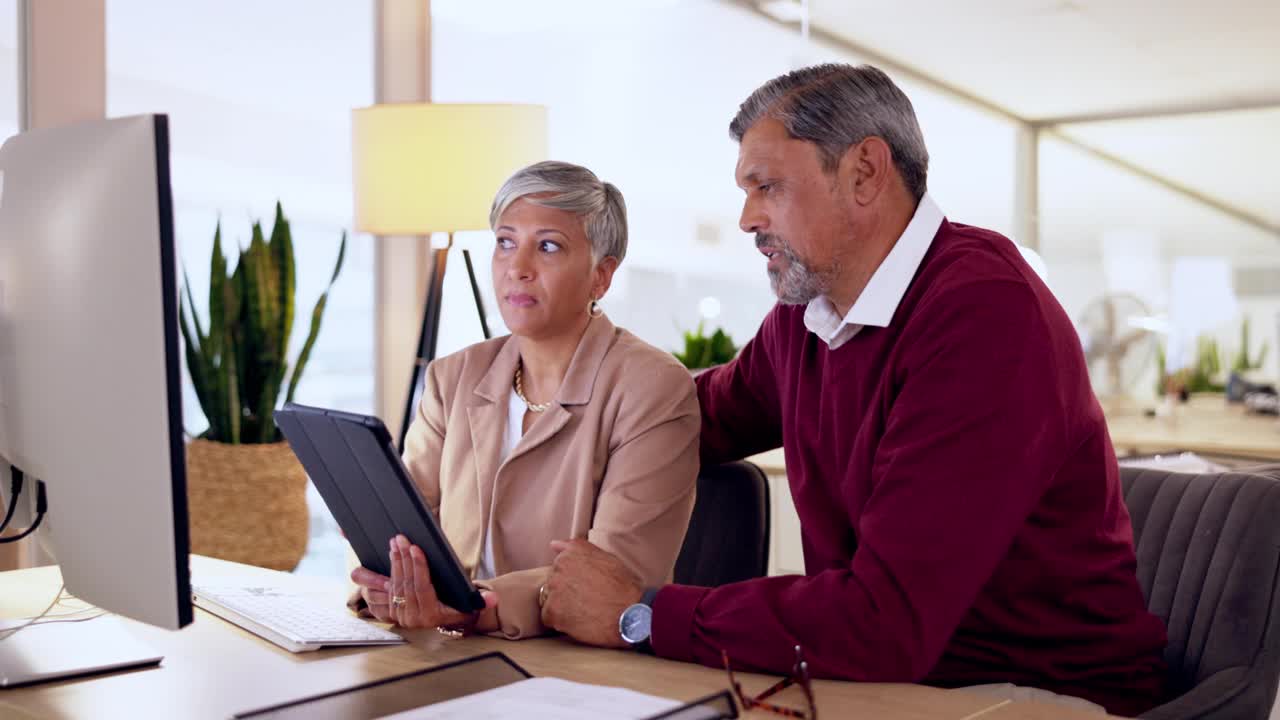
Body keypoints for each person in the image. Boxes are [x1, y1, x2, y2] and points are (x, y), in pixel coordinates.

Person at [538, 64, 1169, 716]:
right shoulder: (810, 317)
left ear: (866, 172)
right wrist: (539, 419)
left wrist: (638, 614)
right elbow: (688, 421)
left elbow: (883, 622)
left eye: (767, 186)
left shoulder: (983, 313)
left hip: (1038, 691)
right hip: (897, 679)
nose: (747, 218)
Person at [350, 160, 700, 640]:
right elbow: (394, 525)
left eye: (548, 247)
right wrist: (387, 584)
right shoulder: (452, 377)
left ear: (601, 276)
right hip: (446, 650)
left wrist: (471, 608)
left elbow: (615, 576)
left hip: (579, 668)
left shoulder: (652, 387)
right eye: (505, 242)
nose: (518, 268)